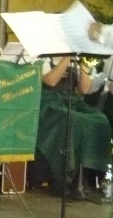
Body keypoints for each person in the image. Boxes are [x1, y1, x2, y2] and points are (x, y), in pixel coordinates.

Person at [32, 54, 110, 194]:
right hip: (49, 104)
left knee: (100, 120)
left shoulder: (75, 61)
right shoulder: (44, 58)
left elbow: (85, 89)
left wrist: (81, 65)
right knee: (73, 120)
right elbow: (50, 81)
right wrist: (66, 57)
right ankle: (64, 176)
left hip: (72, 101)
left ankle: (86, 173)